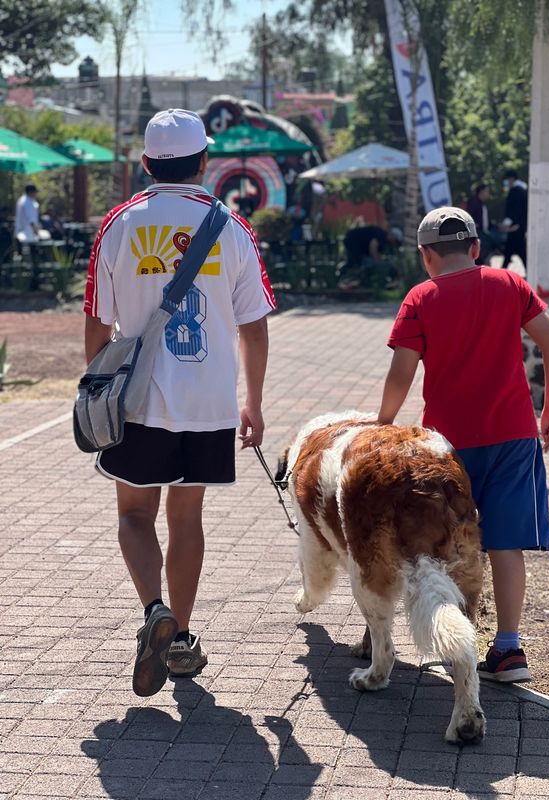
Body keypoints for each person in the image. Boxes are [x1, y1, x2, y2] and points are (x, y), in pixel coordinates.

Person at [83, 108, 276, 697]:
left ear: (146, 163)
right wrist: (253, 402)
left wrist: (95, 384)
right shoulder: (232, 227)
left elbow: (97, 319)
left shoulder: (119, 224)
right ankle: (183, 639)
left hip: (136, 402)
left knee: (133, 516)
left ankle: (154, 612)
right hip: (209, 401)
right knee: (186, 519)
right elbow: (254, 326)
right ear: (203, 162)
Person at [377, 207, 549, 683]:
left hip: (446, 447)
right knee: (506, 544)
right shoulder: (510, 285)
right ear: (476, 248)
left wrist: (382, 424)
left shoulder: (420, 297)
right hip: (513, 436)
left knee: (446, 544)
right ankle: (508, 649)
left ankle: (454, 643)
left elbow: (402, 372)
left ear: (425, 255)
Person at [501, 169, 528, 271]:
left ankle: (503, 271)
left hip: (515, 226)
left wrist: (507, 223)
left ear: (511, 179)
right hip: (520, 226)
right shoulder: (522, 190)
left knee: (513, 250)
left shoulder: (516, 191)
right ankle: (503, 269)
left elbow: (514, 210)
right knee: (517, 250)